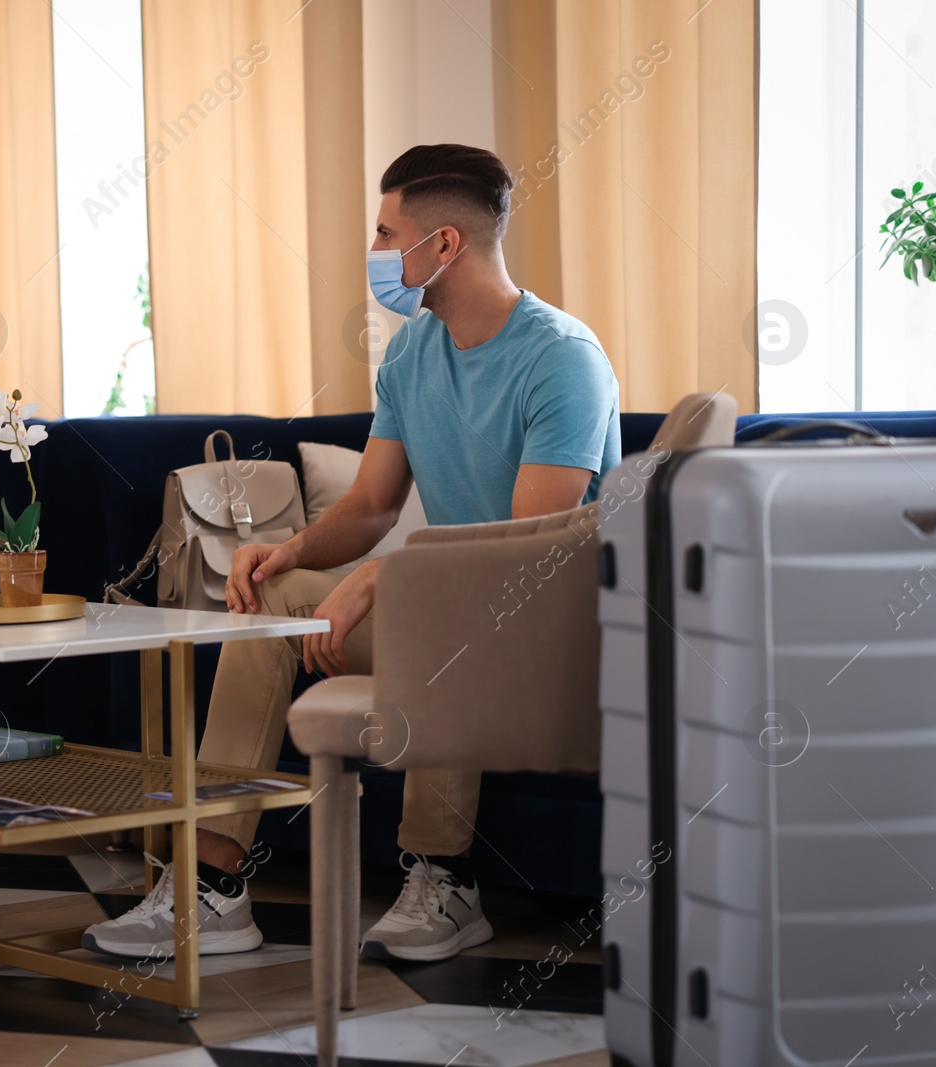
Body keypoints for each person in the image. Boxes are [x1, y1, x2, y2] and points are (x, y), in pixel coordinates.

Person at [82, 144, 621, 962]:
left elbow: (528, 550)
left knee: (440, 613)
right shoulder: (411, 353)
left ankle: (446, 877)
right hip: (454, 602)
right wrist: (282, 549)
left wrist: (387, 576)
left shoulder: (563, 359)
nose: (373, 252)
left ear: (443, 245)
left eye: (383, 232)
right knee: (273, 595)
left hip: (554, 627)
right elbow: (371, 506)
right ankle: (213, 886)